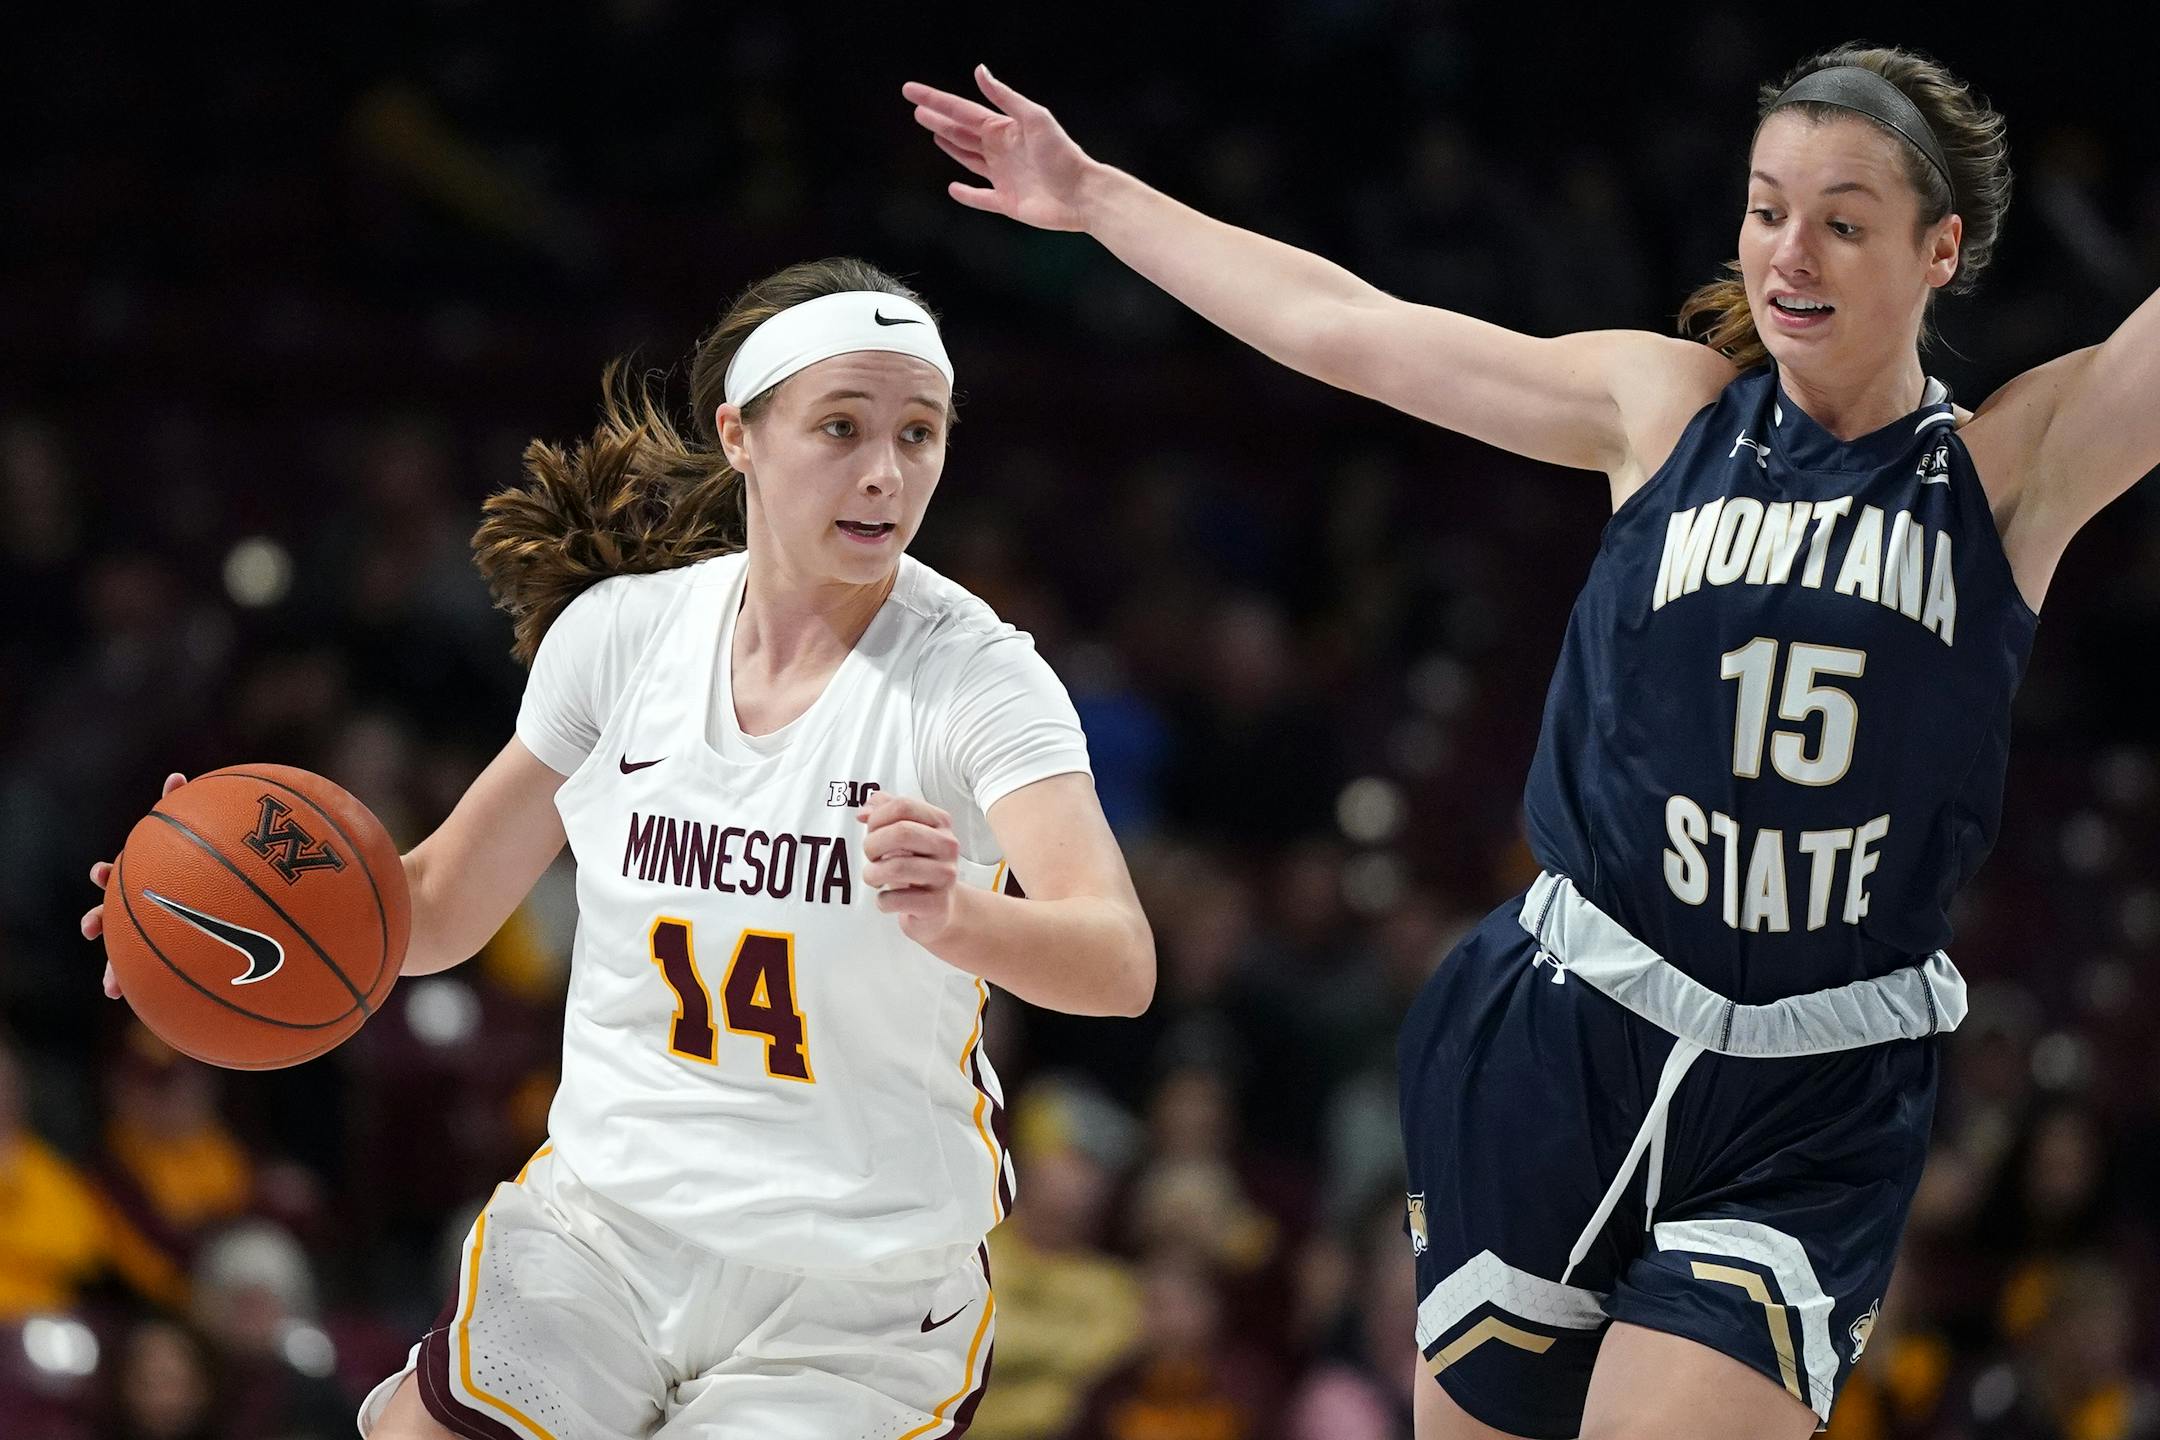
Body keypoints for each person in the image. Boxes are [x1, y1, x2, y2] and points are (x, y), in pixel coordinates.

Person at [905, 43, 2158, 1440]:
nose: (1788, 252)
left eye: (1844, 221)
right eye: (1765, 207)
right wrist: (1099, 198)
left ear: (1941, 251)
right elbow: (1350, 330)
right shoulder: (1664, 405)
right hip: (1568, 1031)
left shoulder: (2005, 471)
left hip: (1811, 1096)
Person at [82, 256, 1155, 1438]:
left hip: (857, 1286)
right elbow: (431, 910)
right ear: (739, 434)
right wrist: (203, 926)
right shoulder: (620, 640)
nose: (884, 471)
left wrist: (966, 917)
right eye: (840, 427)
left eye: (919, 433)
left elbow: (1118, 960)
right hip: (605, 1232)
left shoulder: (978, 676)